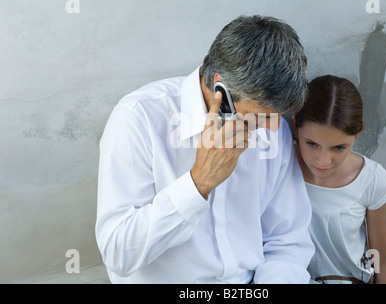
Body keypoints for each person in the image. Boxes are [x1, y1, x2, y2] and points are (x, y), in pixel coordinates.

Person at [95, 15, 314, 284]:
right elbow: (119, 253)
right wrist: (199, 182)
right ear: (220, 89)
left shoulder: (271, 124)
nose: (272, 130)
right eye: (260, 116)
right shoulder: (139, 118)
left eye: (275, 116)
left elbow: (287, 239)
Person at [291, 75, 386, 284]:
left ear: (357, 135)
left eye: (338, 147)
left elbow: (384, 260)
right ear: (295, 127)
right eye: (312, 144)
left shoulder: (371, 180)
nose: (323, 161)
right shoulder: (278, 170)